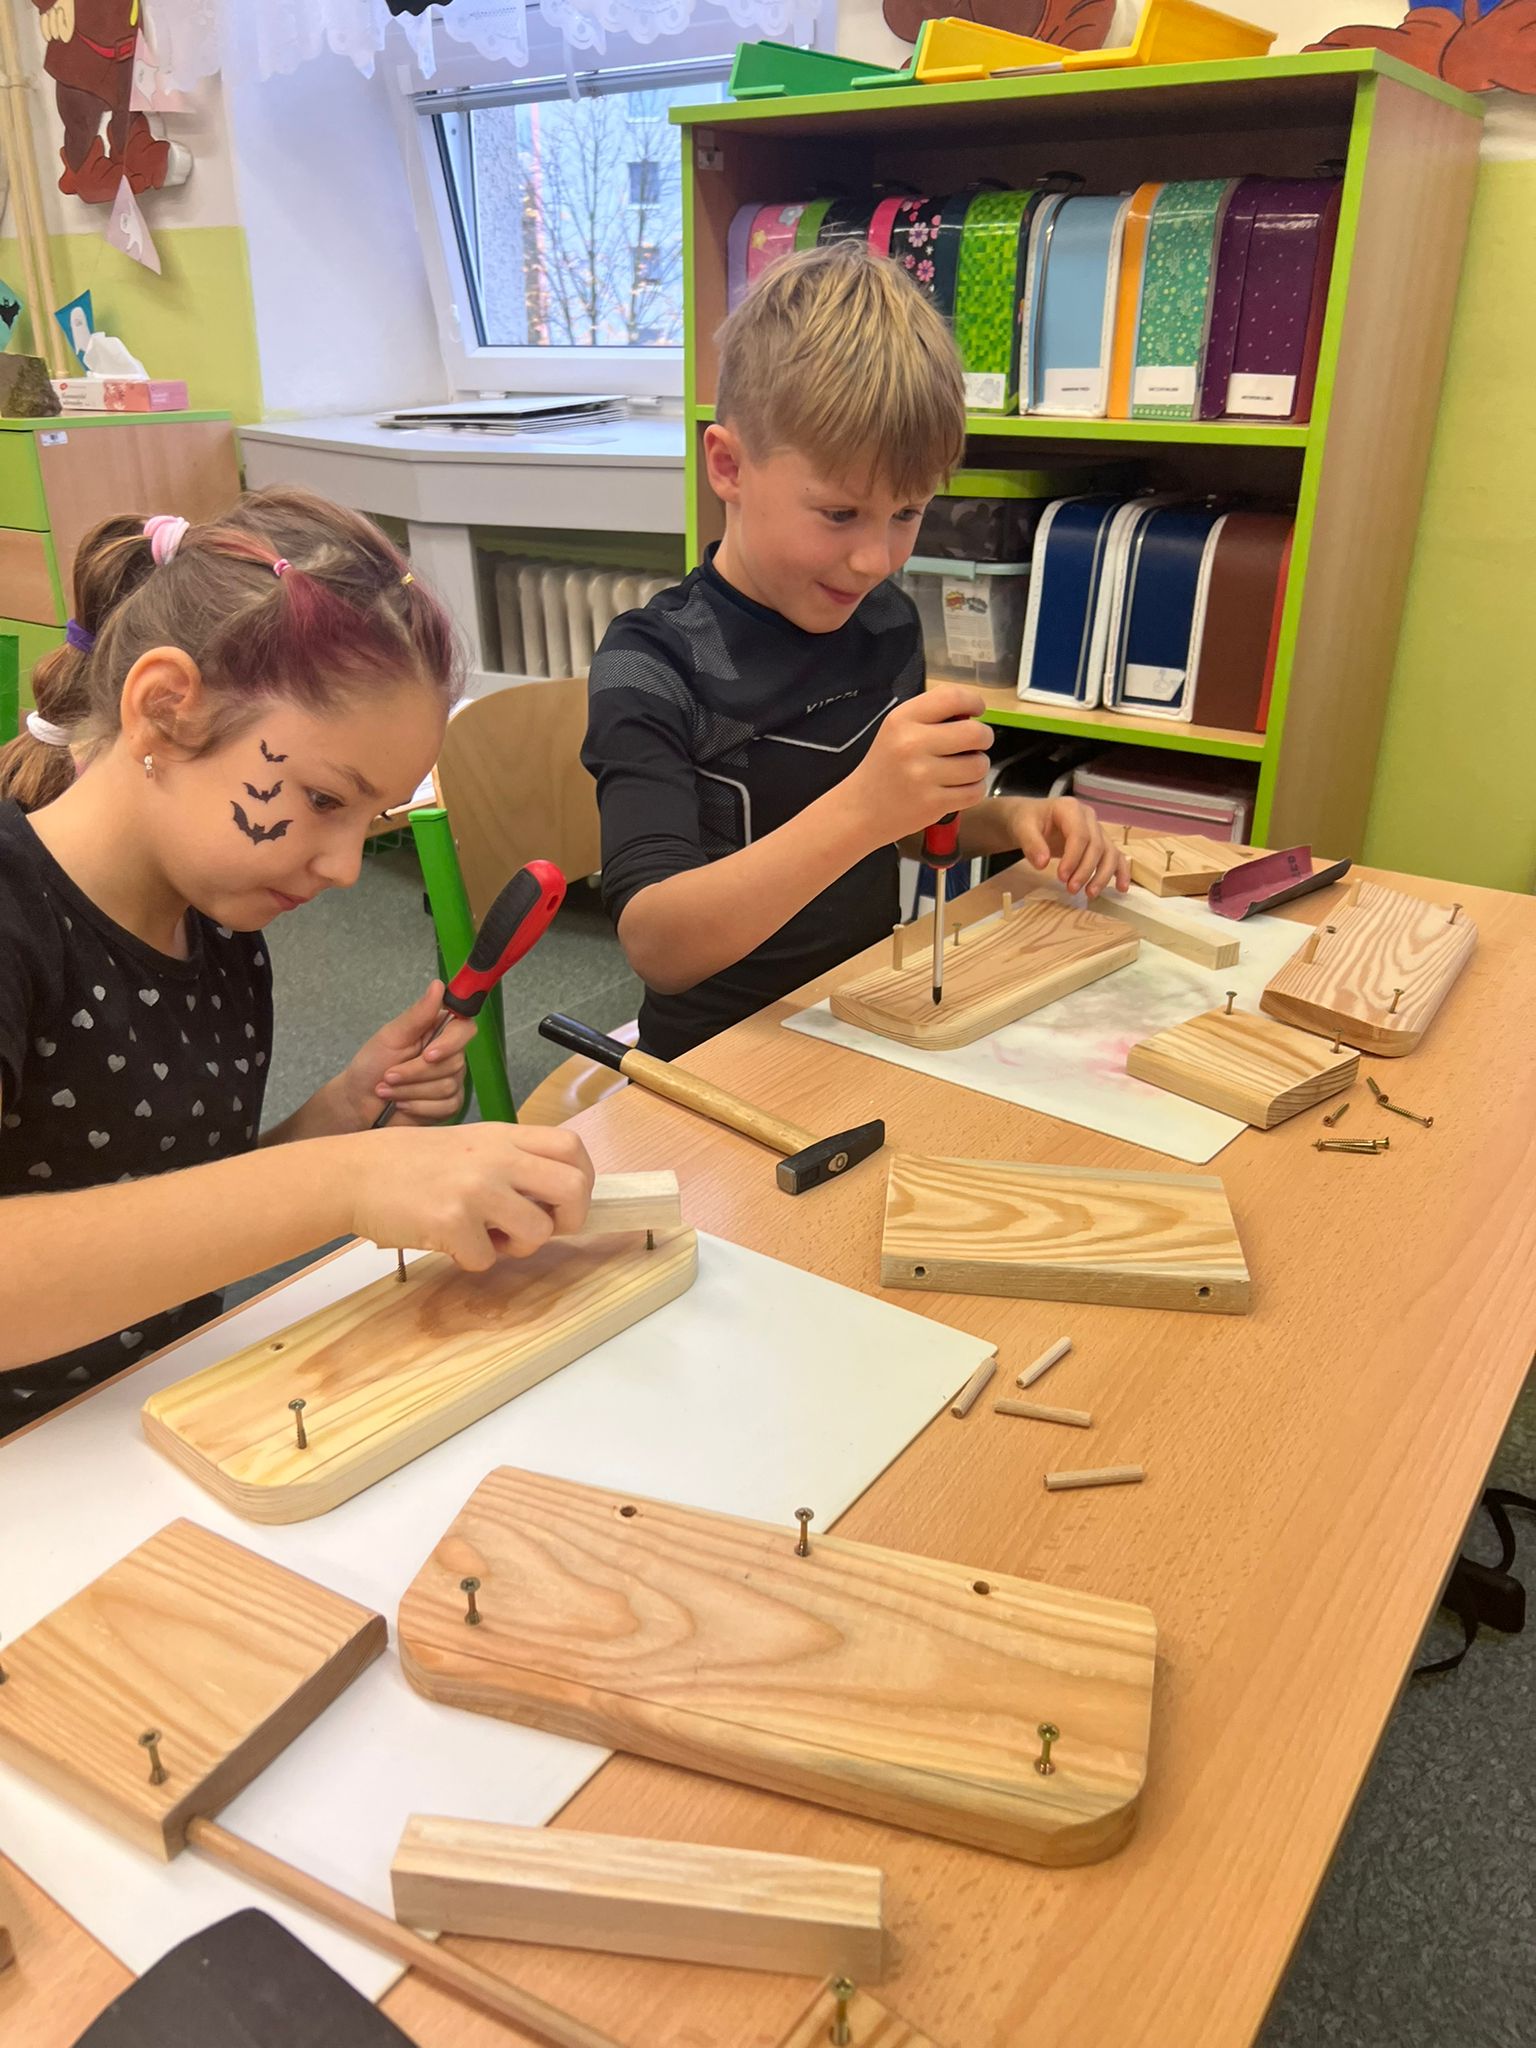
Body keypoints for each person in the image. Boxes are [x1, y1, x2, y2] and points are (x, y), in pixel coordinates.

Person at [0, 489, 593, 1433]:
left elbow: (175, 1204)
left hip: (160, 1414)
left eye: (372, 819)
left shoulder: (219, 932)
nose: (348, 868)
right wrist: (349, 1181)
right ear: (165, 710)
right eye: (323, 800)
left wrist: (339, 1119)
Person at [582, 243, 1127, 1061]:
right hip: (716, 1059)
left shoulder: (886, 625)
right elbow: (658, 944)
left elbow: (905, 832)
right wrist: (863, 808)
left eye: (906, 514)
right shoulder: (652, 664)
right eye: (839, 515)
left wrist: (1013, 817)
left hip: (860, 1019)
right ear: (728, 466)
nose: (876, 560)